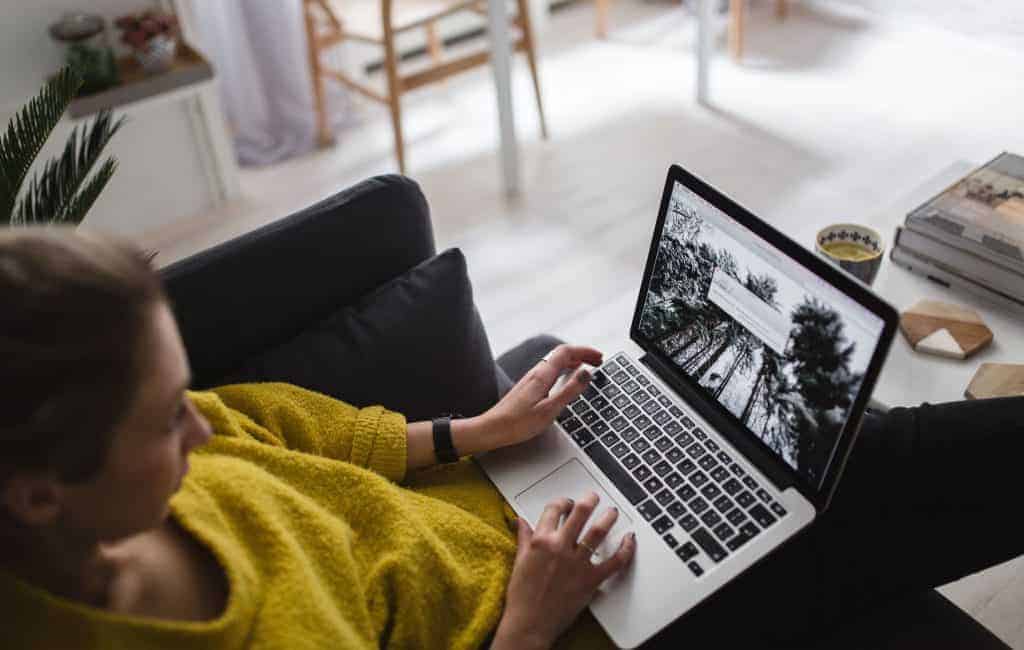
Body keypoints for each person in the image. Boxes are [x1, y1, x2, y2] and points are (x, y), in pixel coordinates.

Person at [0, 229, 1020, 650]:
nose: (200, 421)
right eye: (164, 414)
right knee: (866, 477)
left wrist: (476, 427)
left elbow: (268, 420)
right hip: (557, 622)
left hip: (513, 504)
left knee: (832, 454)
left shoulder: (176, 461)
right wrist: (526, 622)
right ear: (39, 491)